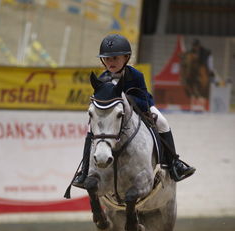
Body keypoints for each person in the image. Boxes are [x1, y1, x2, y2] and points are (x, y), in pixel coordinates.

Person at [72, 34, 195, 188]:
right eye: (107, 59)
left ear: (126, 58)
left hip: (141, 109)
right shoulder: (102, 79)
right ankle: (84, 171)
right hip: (113, 118)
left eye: (115, 58)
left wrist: (125, 100)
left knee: (162, 122)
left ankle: (174, 163)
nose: (111, 62)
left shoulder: (136, 75)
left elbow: (145, 98)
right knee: (91, 129)